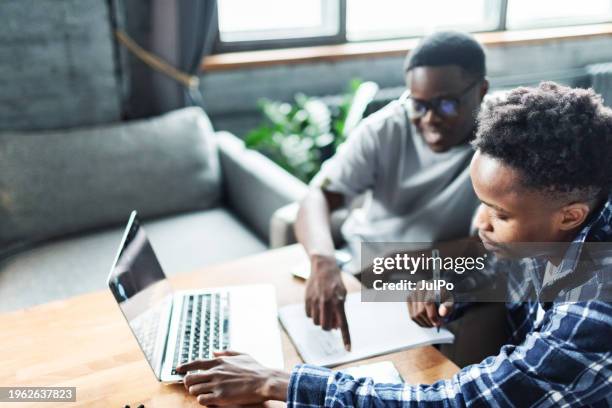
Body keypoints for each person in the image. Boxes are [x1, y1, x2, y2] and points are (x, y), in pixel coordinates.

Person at [176, 82, 612, 406]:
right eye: (481, 204)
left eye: (501, 214)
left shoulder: (596, 304)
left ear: (570, 214)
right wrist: (453, 281)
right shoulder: (559, 225)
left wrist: (277, 382)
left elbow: (459, 402)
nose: (481, 224)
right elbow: (519, 267)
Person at [295, 31, 489, 348]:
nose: (429, 119)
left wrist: (401, 259)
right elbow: (317, 196)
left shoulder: (505, 141)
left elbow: (500, 245)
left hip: (431, 279)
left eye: (447, 104)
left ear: (481, 91)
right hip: (359, 270)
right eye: (418, 104)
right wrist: (322, 262)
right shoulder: (384, 128)